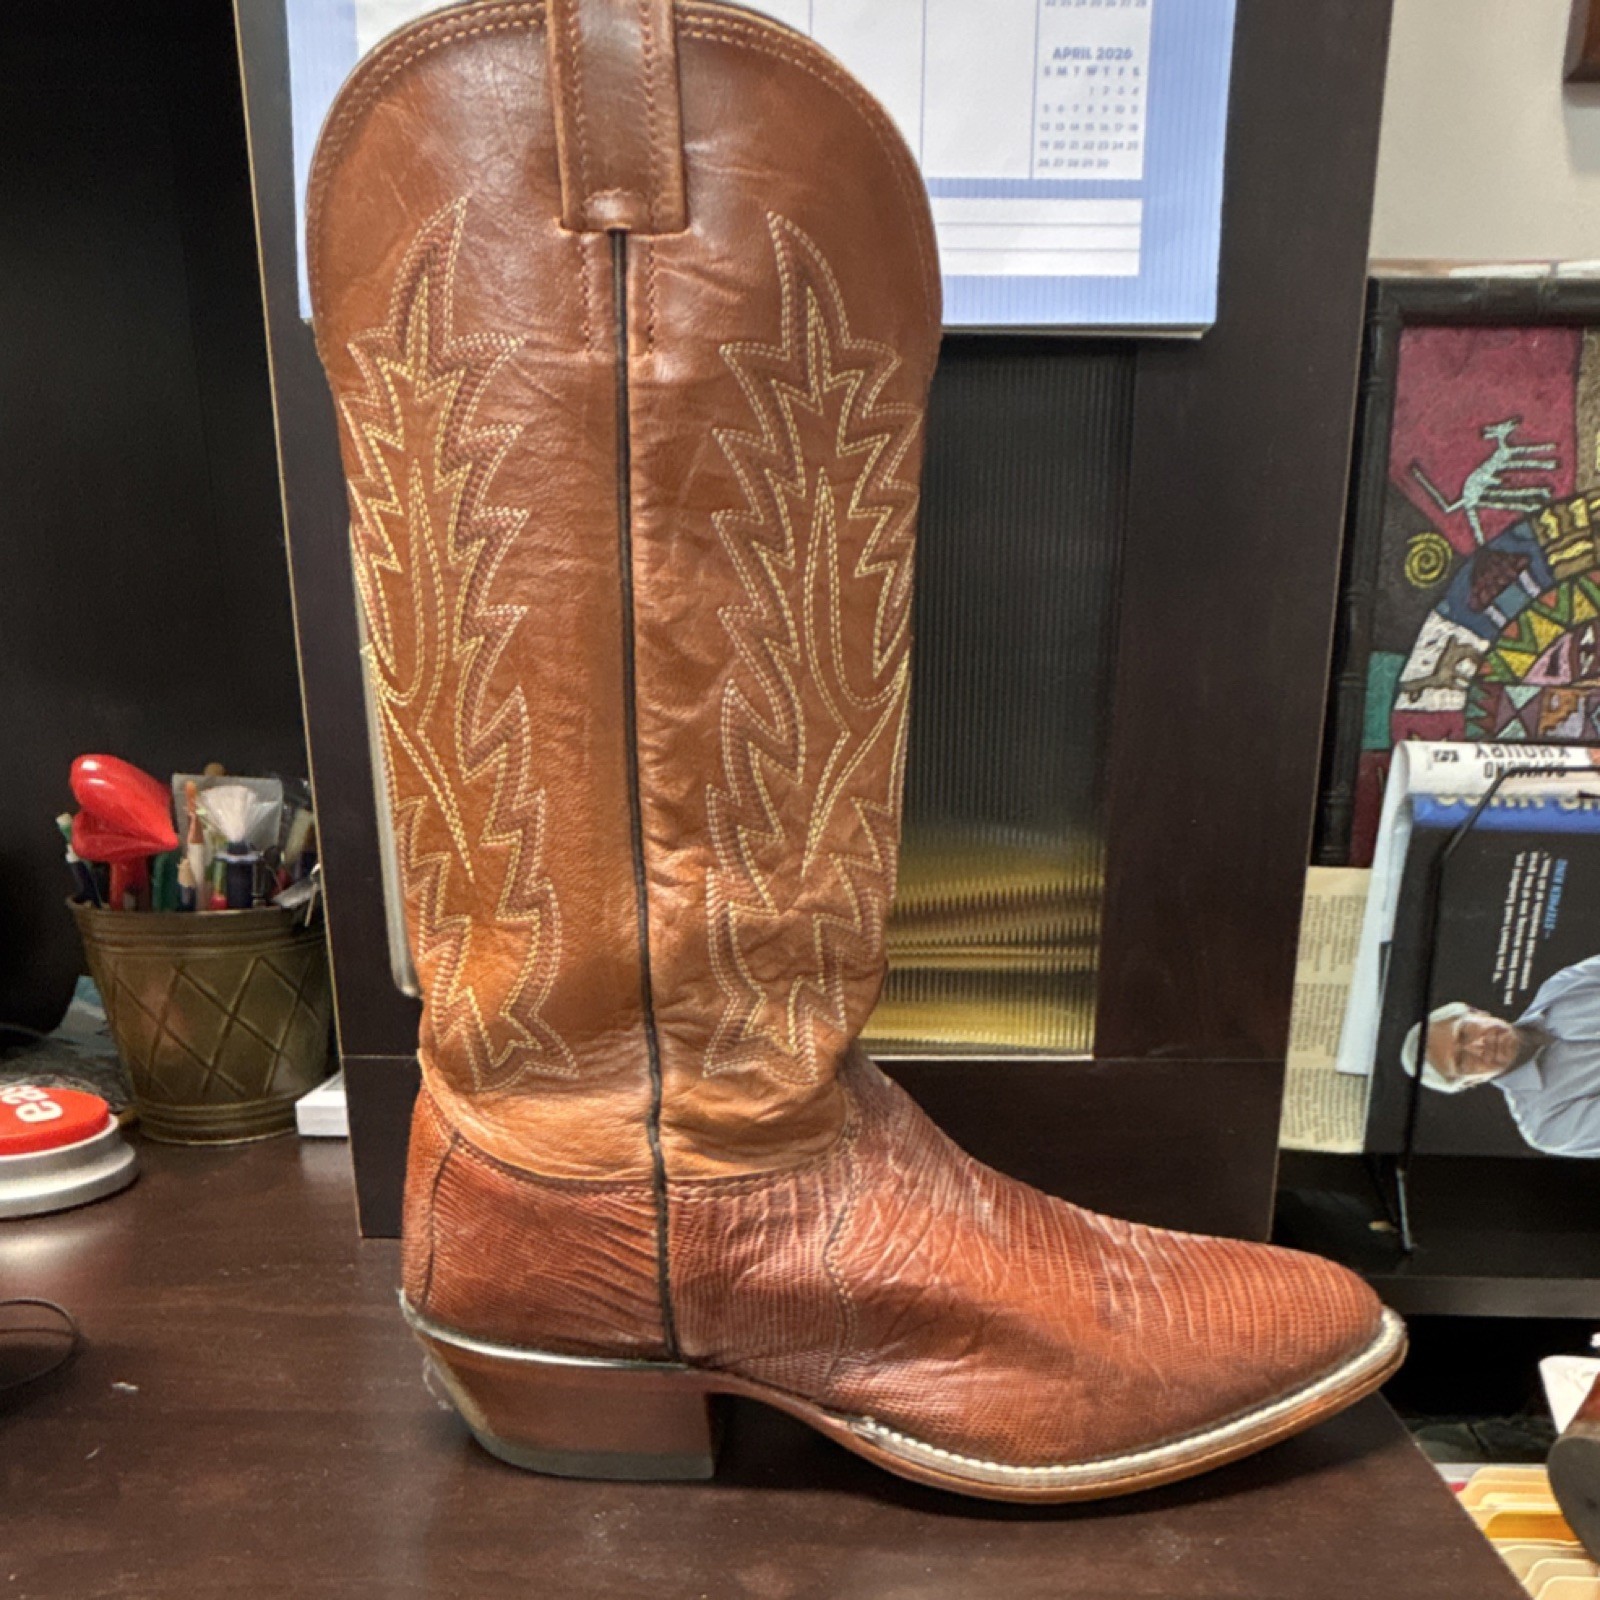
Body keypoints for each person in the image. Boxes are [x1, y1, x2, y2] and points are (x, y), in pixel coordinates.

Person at [1402, 953, 1600, 1157]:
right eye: (1462, 1060)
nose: (1478, 1046)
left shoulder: (1563, 987)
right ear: (1468, 1084)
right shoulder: (1546, 1124)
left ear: (1476, 1012)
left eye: (1464, 1033)